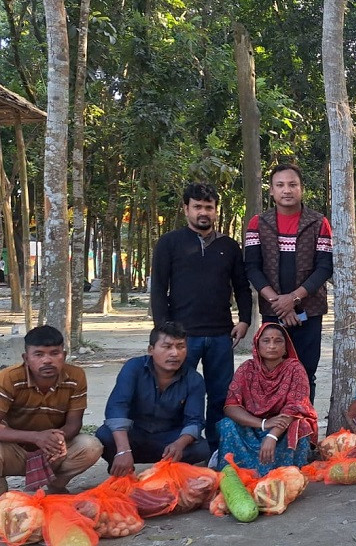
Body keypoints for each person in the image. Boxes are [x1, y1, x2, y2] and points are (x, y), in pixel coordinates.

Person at [150, 182, 253, 451]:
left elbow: (241, 286)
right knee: (177, 392)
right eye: (197, 207)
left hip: (221, 335)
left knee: (221, 396)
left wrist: (244, 320)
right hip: (183, 337)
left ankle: (217, 451)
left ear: (216, 211)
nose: (203, 212)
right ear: (186, 209)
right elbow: (159, 288)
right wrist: (164, 331)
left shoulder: (229, 246)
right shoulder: (169, 243)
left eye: (209, 207)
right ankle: (174, 447)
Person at [245, 163, 333, 404]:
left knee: (305, 373)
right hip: (273, 312)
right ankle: (274, 432)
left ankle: (304, 433)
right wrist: (278, 303)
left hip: (310, 312)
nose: (287, 190)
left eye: (292, 184)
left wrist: (293, 299)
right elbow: (252, 267)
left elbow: (324, 267)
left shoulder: (318, 223)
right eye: (280, 185)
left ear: (301, 189)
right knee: (272, 372)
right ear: (271, 191)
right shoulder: (258, 224)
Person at [98, 323, 211, 476]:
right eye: (167, 347)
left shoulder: (194, 379)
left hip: (167, 439)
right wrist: (123, 449)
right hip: (134, 435)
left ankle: (166, 469)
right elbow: (117, 407)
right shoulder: (134, 368)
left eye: (180, 346)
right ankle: (121, 463)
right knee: (104, 436)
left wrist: (179, 444)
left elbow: (195, 420)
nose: (175, 353)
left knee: (201, 448)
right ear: (151, 350)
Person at [0, 326, 102, 493]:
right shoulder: (8, 378)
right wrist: (36, 437)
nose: (47, 360)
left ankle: (56, 484)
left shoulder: (76, 376)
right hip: (13, 449)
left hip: (52, 450)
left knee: (90, 446)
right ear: (26, 358)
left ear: (64, 355)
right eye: (39, 354)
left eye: (55, 353)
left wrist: (57, 440)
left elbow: (74, 424)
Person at [216, 323, 318, 474]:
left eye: (278, 341)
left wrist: (272, 434)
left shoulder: (294, 368)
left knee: (300, 425)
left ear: (285, 347)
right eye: (266, 341)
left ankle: (288, 471)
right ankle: (237, 472)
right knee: (227, 424)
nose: (272, 346)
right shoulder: (247, 368)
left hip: (282, 426)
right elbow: (231, 406)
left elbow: (295, 407)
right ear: (257, 344)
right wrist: (263, 424)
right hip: (255, 425)